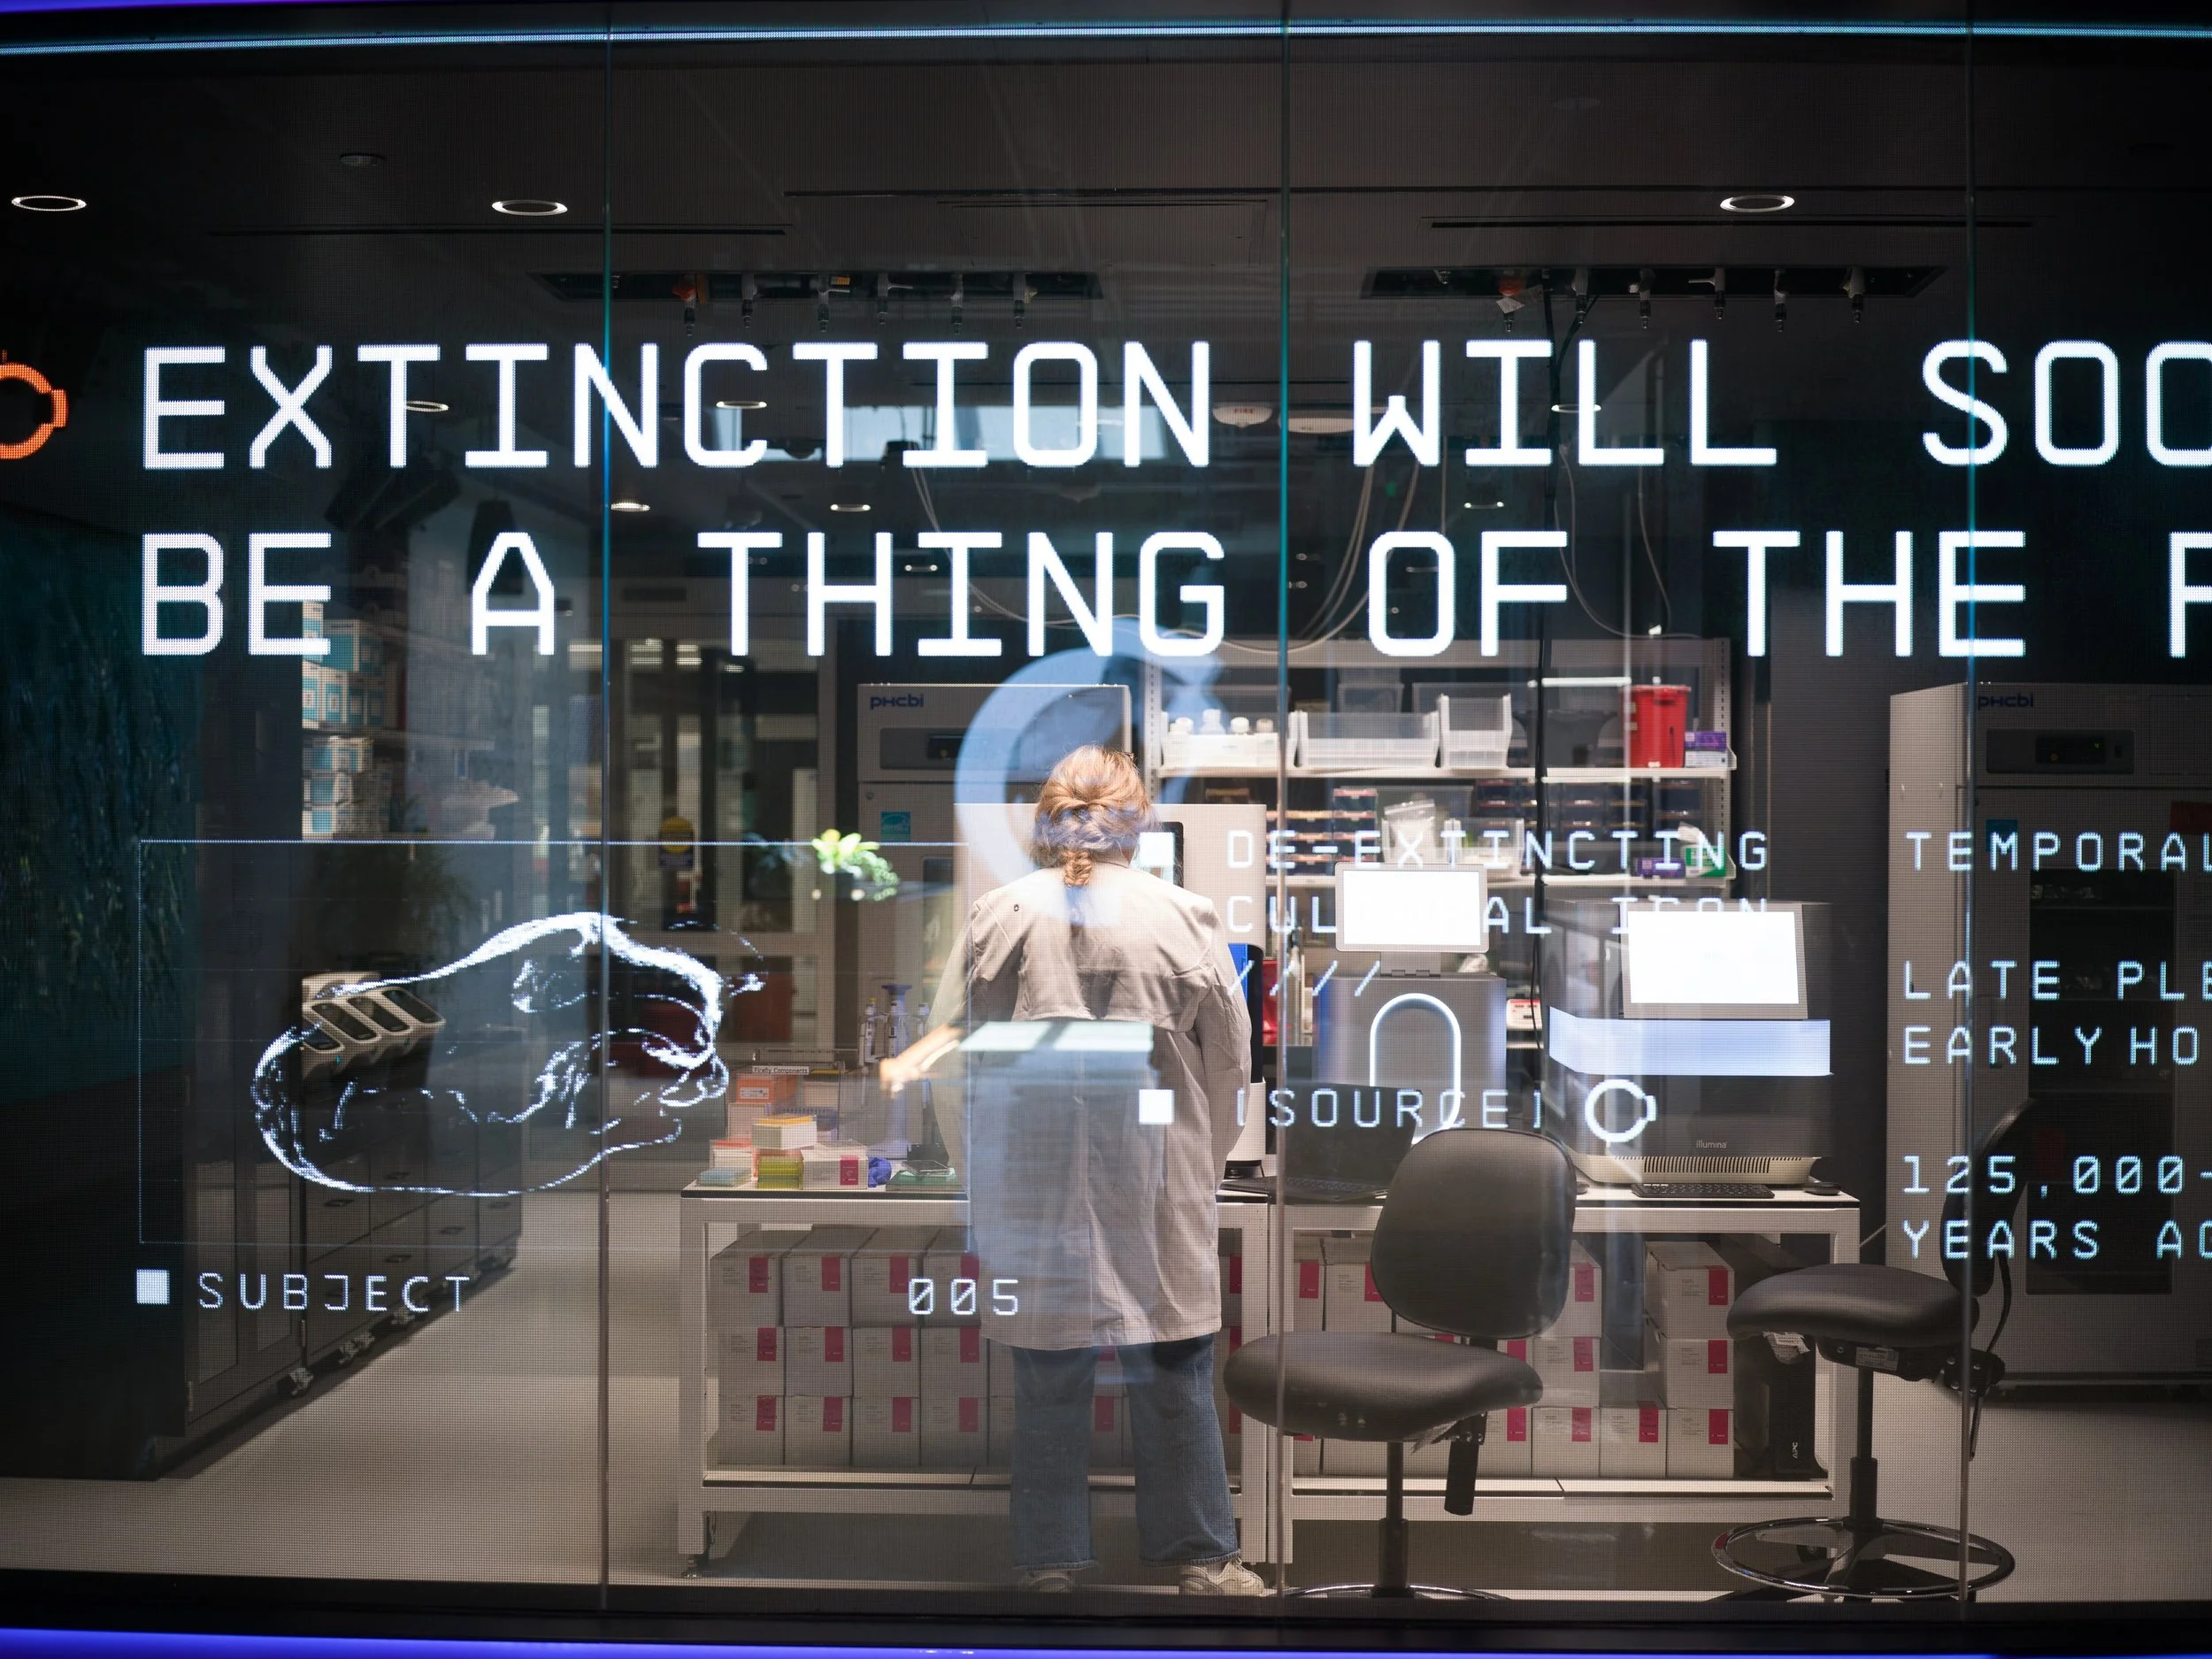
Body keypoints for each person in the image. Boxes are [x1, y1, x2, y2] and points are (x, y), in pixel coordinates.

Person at [916, 745, 1263, 1594]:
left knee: (1048, 1376)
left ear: (1047, 818)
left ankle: (1049, 1563)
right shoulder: (1185, 916)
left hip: (1032, 1181)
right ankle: (1202, 1559)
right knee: (1175, 1368)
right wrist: (1199, 1159)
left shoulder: (998, 915)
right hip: (1157, 1180)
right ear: (1136, 821)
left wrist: (976, 1170)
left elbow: (949, 1061)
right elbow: (1230, 1067)